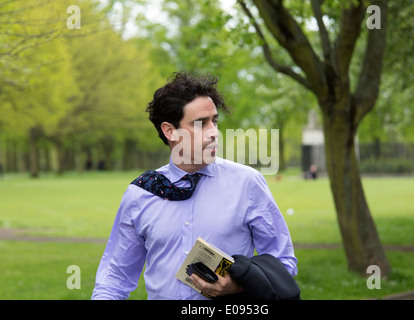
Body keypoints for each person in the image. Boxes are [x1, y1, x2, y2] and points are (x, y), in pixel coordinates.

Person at [91, 72, 298, 300]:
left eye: (215, 121)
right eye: (200, 124)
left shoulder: (247, 183)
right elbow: (114, 279)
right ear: (170, 131)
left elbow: (283, 262)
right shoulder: (141, 193)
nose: (213, 132)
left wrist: (241, 283)